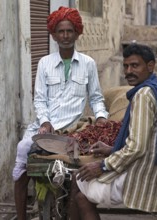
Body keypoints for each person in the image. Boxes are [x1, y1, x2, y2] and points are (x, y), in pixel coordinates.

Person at [12, 6, 109, 220]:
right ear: (54, 35)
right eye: (61, 32)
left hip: (73, 129)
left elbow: (95, 97)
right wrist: (45, 122)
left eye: (69, 31)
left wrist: (101, 116)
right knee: (22, 153)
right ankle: (21, 216)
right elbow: (39, 98)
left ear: (77, 33)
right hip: (45, 128)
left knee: (79, 166)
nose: (65, 36)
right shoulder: (45, 63)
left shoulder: (88, 64)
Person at [69, 43, 157, 219]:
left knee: (79, 191)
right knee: (81, 182)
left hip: (142, 177)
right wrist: (111, 149)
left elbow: (137, 147)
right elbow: (154, 138)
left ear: (150, 66)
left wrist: (102, 165)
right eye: (126, 66)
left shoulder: (143, 96)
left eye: (135, 65)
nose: (129, 71)